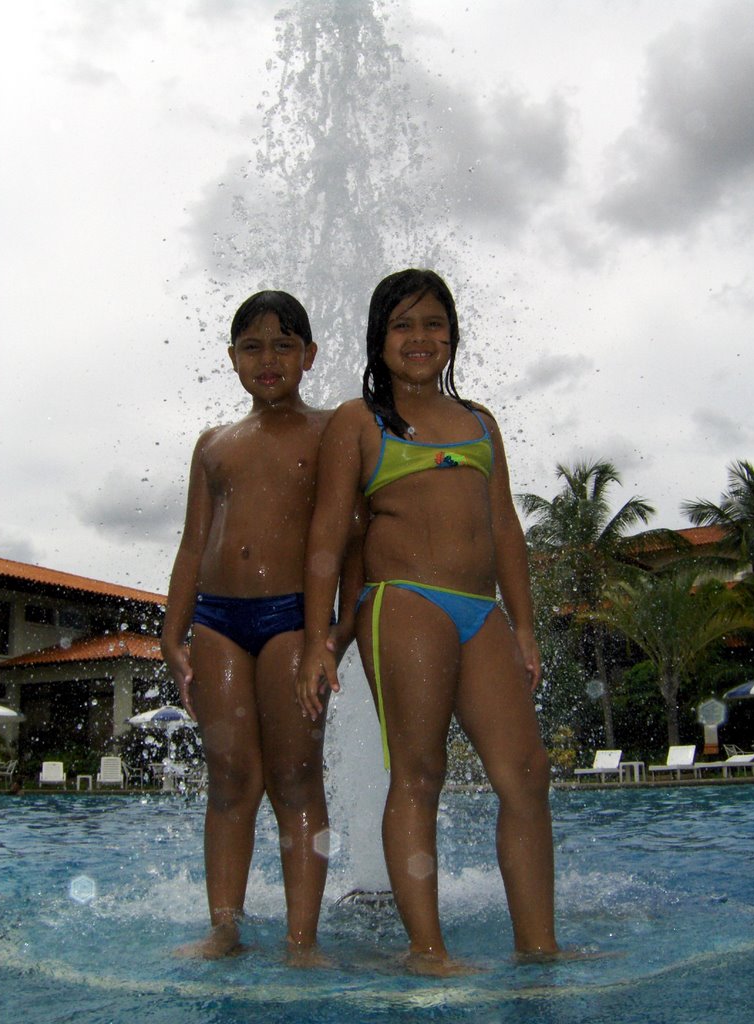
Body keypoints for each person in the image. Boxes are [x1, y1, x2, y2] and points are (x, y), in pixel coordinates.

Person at [297, 269, 559, 974]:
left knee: (525, 774)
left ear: (453, 334)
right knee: (419, 772)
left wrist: (525, 626)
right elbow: (328, 534)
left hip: (483, 613)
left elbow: (503, 525)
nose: (420, 339)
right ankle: (427, 950)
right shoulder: (359, 420)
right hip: (403, 601)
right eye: (403, 325)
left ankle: (539, 946)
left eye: (434, 324)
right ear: (379, 339)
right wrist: (320, 638)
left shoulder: (479, 420)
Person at [161, 290, 360, 962]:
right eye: (252, 346)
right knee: (228, 777)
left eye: (282, 345)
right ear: (232, 359)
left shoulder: (333, 428)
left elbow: (351, 538)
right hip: (216, 620)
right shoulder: (214, 444)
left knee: (296, 776)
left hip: (292, 620)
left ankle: (302, 935)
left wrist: (331, 635)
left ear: (308, 355)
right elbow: (193, 543)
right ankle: (224, 926)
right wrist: (172, 629)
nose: (267, 359)